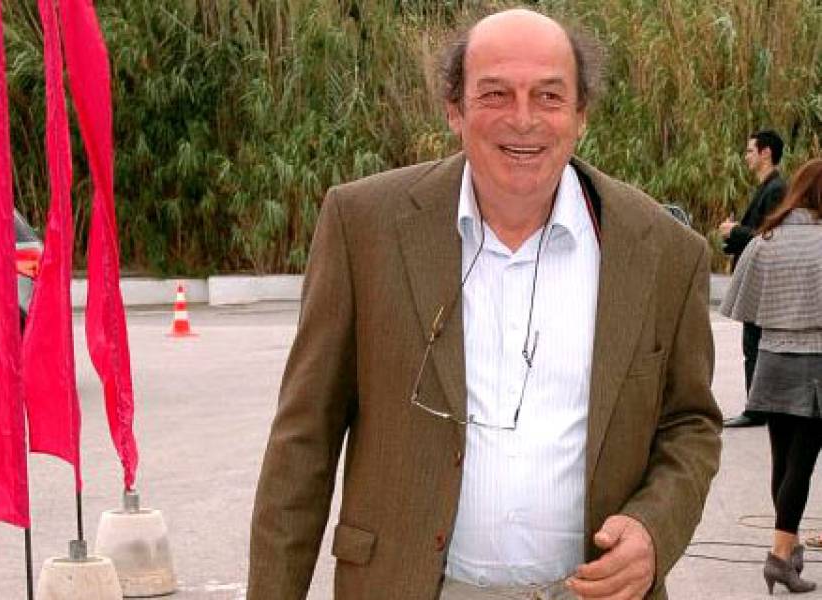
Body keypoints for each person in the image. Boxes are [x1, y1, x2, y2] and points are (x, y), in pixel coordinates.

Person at [249, 8, 721, 600]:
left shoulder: (665, 252)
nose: (523, 119)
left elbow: (689, 424)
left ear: (581, 114)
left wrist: (655, 528)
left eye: (549, 96)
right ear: (455, 109)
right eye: (495, 94)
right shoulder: (364, 226)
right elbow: (304, 440)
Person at [721, 158, 822, 595]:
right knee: (802, 463)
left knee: (783, 459)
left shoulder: (765, 239)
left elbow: (737, 306)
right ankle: (779, 556)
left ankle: (790, 547)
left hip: (772, 359)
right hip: (816, 362)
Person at [718, 129, 787, 428]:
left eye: (749, 151)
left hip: (764, 280)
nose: (746, 157)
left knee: (755, 343)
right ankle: (759, 405)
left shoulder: (776, 190)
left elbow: (769, 236)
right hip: (758, 276)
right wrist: (732, 237)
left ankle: (757, 408)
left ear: (765, 152)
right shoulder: (768, 188)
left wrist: (735, 231)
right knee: (754, 343)